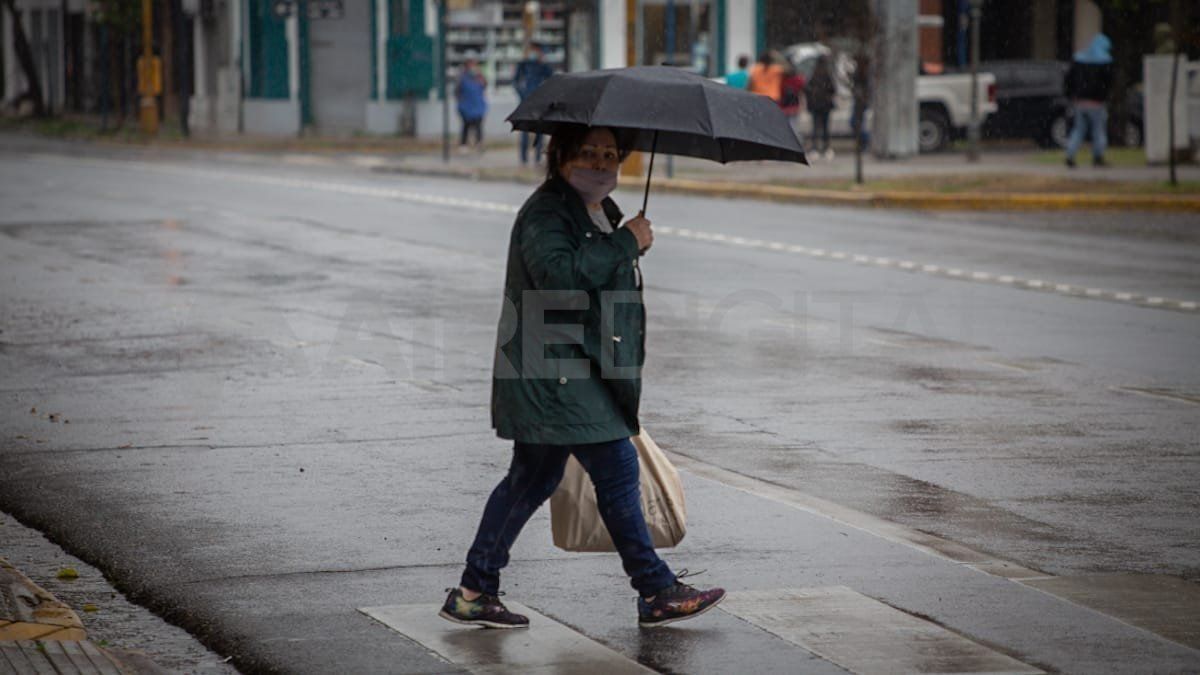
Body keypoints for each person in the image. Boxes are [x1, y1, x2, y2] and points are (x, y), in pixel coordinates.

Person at [440, 125, 726, 630]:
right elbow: (558, 277)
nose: (600, 163)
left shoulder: (601, 209)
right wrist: (623, 245)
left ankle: (474, 590)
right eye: (589, 152)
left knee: (532, 478)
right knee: (615, 466)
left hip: (574, 363)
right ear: (562, 156)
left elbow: (598, 274)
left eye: (610, 154)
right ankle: (655, 589)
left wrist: (626, 245)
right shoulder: (549, 211)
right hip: (555, 367)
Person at [1064, 33, 1114, 168]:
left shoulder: (1079, 59)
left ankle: (1070, 155)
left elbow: (1069, 79)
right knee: (1098, 130)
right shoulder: (1105, 61)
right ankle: (1098, 157)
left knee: (1078, 130)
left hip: (1080, 101)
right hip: (1097, 102)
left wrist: (1071, 95)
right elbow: (1108, 82)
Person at [513, 46, 553, 164]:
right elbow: (516, 82)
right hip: (526, 103)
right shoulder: (524, 65)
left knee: (540, 131)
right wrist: (522, 95)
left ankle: (537, 158)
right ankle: (524, 159)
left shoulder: (543, 66)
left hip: (540, 103)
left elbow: (551, 80)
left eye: (537, 51)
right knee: (525, 131)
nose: (535, 53)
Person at [806, 55, 836, 159]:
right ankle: (826, 148)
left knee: (815, 127)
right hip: (825, 105)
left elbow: (807, 90)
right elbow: (832, 89)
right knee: (825, 128)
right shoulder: (827, 75)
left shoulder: (813, 75)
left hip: (816, 105)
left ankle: (815, 148)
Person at [456, 59, 488, 153]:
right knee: (466, 125)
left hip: (478, 106)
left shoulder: (479, 77)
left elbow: (485, 85)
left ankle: (479, 143)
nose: (473, 67)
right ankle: (463, 144)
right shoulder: (462, 77)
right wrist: (461, 102)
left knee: (478, 126)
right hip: (466, 106)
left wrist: (481, 76)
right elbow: (457, 92)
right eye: (471, 65)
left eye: (474, 65)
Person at [779, 63, 806, 137]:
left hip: (784, 107)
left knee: (785, 127)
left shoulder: (782, 80)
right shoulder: (797, 80)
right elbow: (803, 87)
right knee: (794, 126)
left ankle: (787, 140)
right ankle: (795, 141)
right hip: (794, 106)